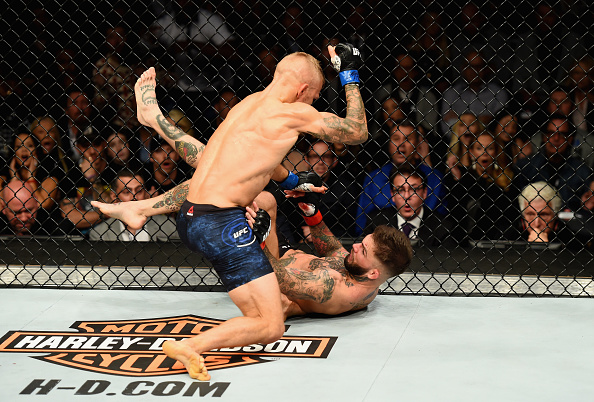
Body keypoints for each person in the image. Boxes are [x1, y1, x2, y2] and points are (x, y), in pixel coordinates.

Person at [110, 44, 368, 380]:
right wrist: (348, 74)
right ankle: (191, 347)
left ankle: (144, 190)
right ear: (303, 90)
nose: (314, 104)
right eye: (316, 96)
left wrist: (292, 178)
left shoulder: (247, 105)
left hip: (192, 218)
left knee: (263, 308)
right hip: (221, 222)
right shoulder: (294, 112)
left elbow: (251, 160)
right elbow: (357, 131)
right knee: (272, 324)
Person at [250, 191, 412, 318]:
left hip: (266, 270)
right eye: (361, 243)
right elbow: (333, 250)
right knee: (264, 199)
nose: (354, 247)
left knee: (260, 200)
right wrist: (312, 214)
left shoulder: (331, 287)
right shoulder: (368, 277)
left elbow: (278, 279)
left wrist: (260, 241)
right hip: (281, 255)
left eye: (363, 250)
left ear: (373, 273)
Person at [355, 119, 446, 235]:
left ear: (418, 143)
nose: (401, 144)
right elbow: (362, 225)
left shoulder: (435, 179)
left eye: (407, 139)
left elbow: (442, 223)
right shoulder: (373, 179)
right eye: (396, 139)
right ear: (389, 143)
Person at [513, 114, 592, 211]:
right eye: (551, 133)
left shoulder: (582, 171)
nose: (556, 138)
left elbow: (587, 204)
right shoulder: (525, 167)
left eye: (562, 134)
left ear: (570, 139)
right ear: (544, 137)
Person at [364, 164, 454, 247]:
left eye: (414, 190)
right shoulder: (376, 223)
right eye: (400, 190)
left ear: (424, 193)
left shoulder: (443, 228)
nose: (407, 196)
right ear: (392, 195)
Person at [89, 170, 178, 242]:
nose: (134, 197)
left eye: (139, 191)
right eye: (127, 192)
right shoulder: (100, 233)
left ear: (146, 193)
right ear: (114, 196)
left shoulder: (168, 225)